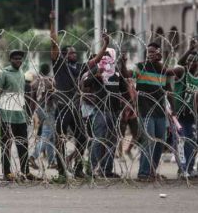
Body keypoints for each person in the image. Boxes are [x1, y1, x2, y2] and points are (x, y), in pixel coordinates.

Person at [49, 11, 110, 179]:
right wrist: (52, 21)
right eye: (71, 53)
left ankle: (77, 169)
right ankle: (61, 171)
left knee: (83, 138)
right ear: (64, 55)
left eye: (75, 53)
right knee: (60, 139)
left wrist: (105, 44)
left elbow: (95, 61)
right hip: (63, 106)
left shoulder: (78, 67)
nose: (75, 54)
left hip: (75, 107)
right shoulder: (59, 64)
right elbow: (54, 43)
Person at [120, 42, 181, 181]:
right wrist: (123, 63)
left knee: (160, 142)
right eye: (149, 52)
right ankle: (143, 173)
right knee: (149, 141)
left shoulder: (162, 70)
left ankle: (152, 171)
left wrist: (173, 110)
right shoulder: (141, 67)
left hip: (160, 111)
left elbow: (169, 91)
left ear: (159, 54)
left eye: (153, 52)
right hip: (145, 110)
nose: (150, 54)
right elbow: (126, 74)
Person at [0, 50, 38, 181]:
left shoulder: (21, 74)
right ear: (10, 60)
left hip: (20, 116)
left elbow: (21, 97)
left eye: (20, 59)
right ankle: (7, 173)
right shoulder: (4, 73)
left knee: (23, 145)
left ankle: (26, 172)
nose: (18, 61)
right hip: (6, 115)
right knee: (7, 145)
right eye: (16, 59)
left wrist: (27, 114)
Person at [81, 48, 127, 178]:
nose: (106, 58)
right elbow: (85, 82)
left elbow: (123, 89)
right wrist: (97, 75)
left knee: (112, 142)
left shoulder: (116, 72)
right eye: (104, 55)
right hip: (101, 110)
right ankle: (91, 169)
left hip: (114, 111)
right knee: (98, 140)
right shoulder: (97, 69)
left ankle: (106, 170)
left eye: (109, 55)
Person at [173, 40, 198, 177]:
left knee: (192, 143)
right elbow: (179, 63)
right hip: (179, 115)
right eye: (188, 60)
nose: (189, 62)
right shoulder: (182, 73)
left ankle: (190, 167)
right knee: (181, 142)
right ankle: (182, 169)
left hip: (191, 115)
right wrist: (190, 49)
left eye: (193, 61)